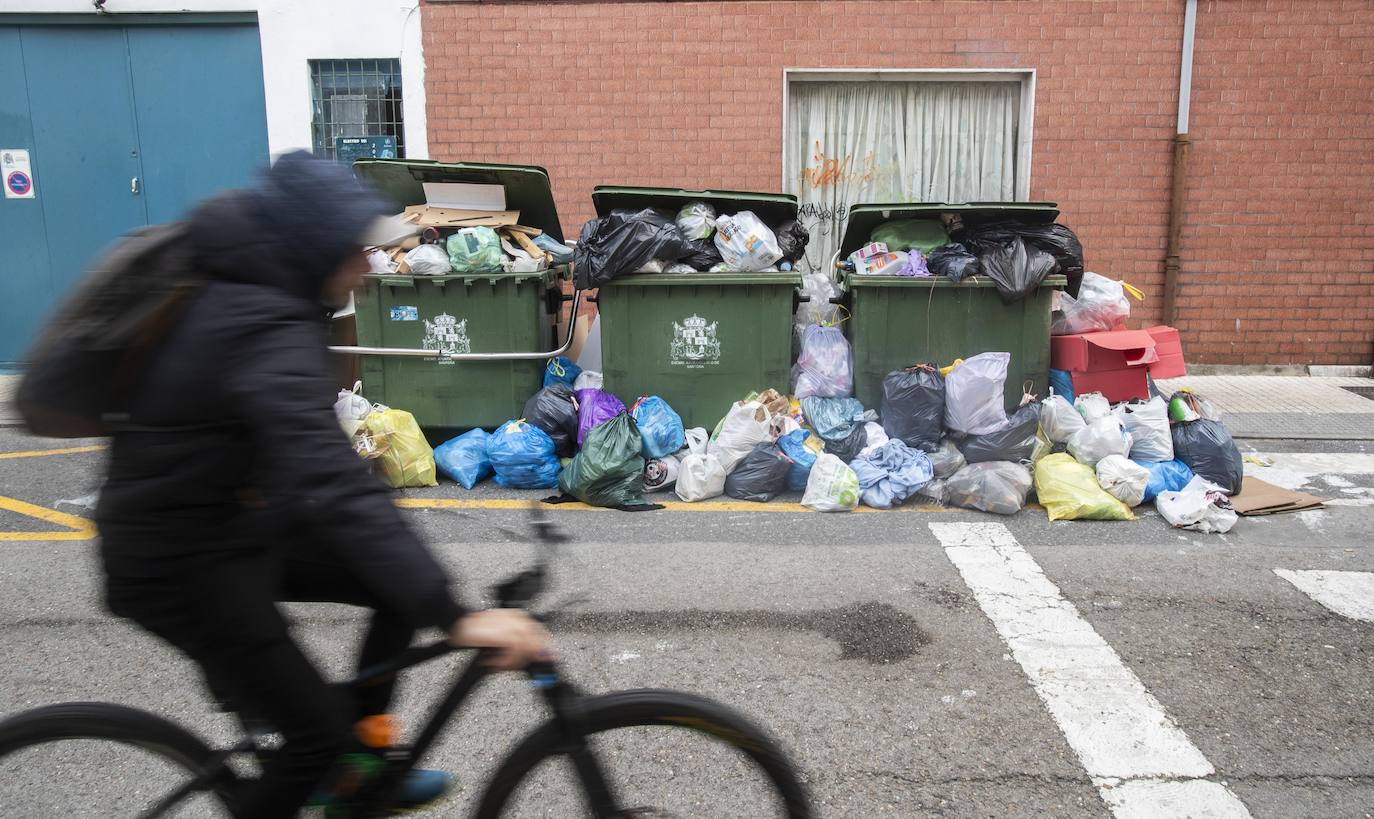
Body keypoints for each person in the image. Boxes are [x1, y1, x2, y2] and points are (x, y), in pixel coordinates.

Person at [95, 152, 549, 816]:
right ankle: (331, 758)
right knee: (313, 737)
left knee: (390, 589)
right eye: (355, 251)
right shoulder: (261, 324)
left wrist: (424, 594)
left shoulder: (279, 295)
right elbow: (333, 481)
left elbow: (314, 472)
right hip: (176, 557)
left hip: (234, 520)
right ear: (313, 251)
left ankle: (358, 768)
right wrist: (459, 616)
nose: (370, 267)